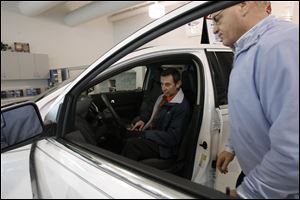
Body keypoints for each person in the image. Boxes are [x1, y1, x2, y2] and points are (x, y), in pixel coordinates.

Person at [212, 1, 299, 199]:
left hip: (279, 190)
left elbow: (295, 148)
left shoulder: (281, 45)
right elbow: (251, 112)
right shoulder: (249, 49)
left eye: (217, 19)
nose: (215, 29)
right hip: (261, 177)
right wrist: (231, 147)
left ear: (242, 5)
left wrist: (248, 193)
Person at [121, 68, 190, 161]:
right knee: (125, 134)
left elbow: (172, 138)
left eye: (167, 84)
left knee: (131, 145)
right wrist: (143, 120)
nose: (163, 88)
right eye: (162, 84)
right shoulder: (163, 97)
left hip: (165, 147)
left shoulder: (181, 106)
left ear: (178, 84)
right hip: (154, 135)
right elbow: (152, 111)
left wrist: (146, 134)